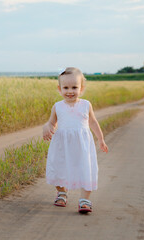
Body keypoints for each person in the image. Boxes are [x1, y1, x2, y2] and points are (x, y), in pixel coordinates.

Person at [42, 67, 108, 214]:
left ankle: (85, 200)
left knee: (85, 168)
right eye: (65, 87)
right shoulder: (57, 106)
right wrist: (47, 127)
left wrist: (101, 139)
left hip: (82, 146)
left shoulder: (86, 105)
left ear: (81, 89)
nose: (70, 91)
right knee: (59, 167)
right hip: (62, 145)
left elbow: (93, 122)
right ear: (59, 89)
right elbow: (52, 122)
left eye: (74, 87)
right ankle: (62, 193)